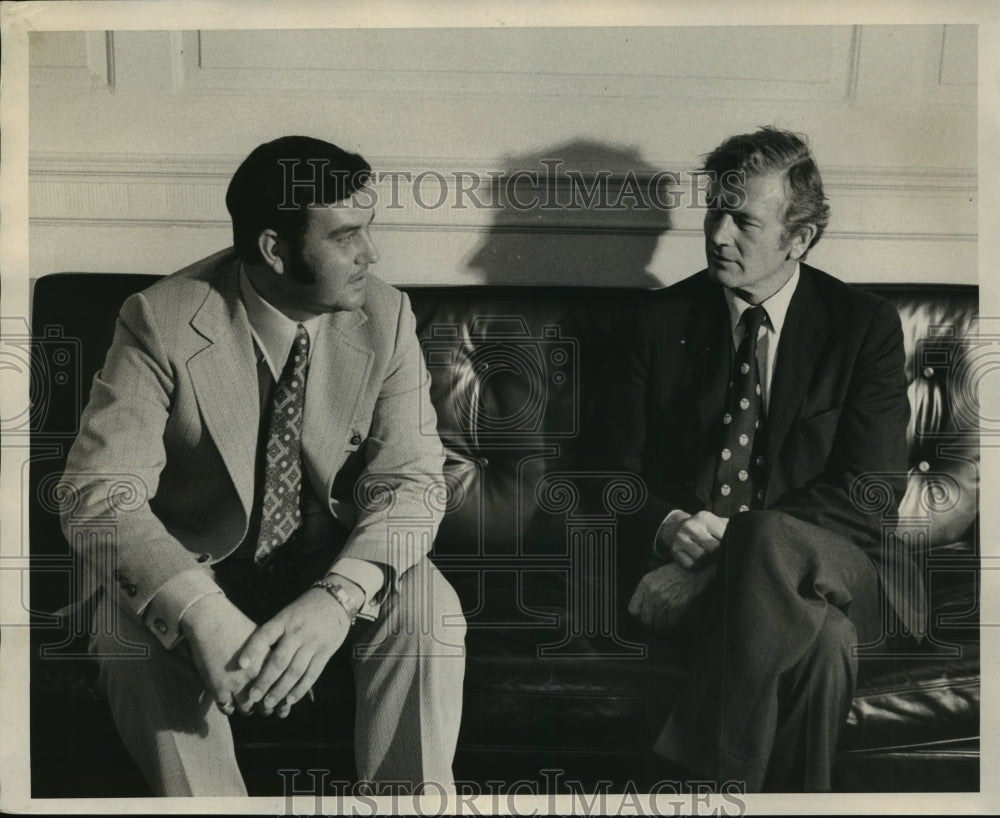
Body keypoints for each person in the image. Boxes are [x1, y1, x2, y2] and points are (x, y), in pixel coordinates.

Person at [59, 135, 466, 797]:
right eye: (346, 236)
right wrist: (198, 611)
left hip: (323, 559)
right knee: (122, 628)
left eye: (371, 229)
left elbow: (412, 481)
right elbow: (97, 495)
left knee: (428, 601)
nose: (372, 254)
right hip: (198, 561)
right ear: (275, 249)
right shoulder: (160, 320)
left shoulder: (386, 315)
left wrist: (337, 599)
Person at [607, 127, 921, 791]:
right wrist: (664, 525)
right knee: (824, 645)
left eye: (743, 219)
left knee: (769, 531)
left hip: (842, 567)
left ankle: (697, 777)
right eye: (713, 212)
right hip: (706, 571)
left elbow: (867, 498)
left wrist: (720, 561)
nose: (718, 236)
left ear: (799, 237)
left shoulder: (862, 326)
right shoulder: (659, 322)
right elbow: (606, 477)